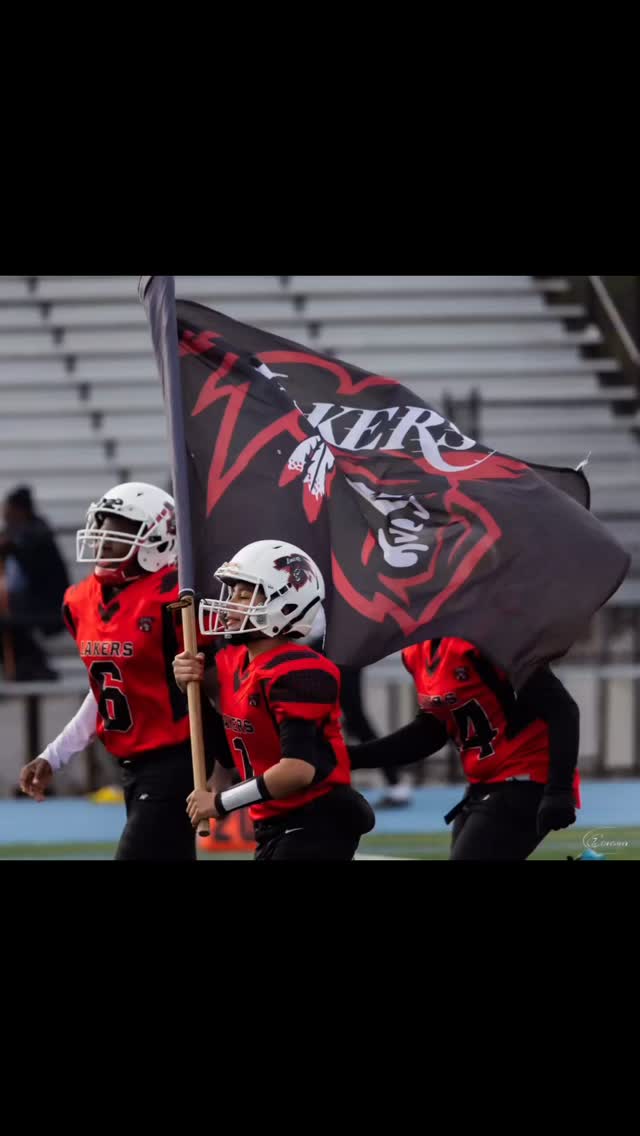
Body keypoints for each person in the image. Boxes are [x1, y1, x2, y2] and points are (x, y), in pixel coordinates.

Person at [19, 482, 219, 862]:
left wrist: (229, 765)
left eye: (121, 527)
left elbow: (222, 677)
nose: (104, 536)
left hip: (177, 756)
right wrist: (54, 755)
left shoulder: (175, 598)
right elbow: (107, 689)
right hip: (131, 761)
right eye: (102, 522)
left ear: (159, 539)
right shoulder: (80, 601)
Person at [173, 539, 375, 861]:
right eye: (232, 594)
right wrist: (192, 692)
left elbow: (296, 771)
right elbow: (230, 750)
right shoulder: (235, 662)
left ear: (287, 605)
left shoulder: (299, 670)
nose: (230, 604)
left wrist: (222, 802)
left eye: (244, 594)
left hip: (318, 819)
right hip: (275, 823)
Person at [348, 637, 580, 861]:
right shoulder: (418, 651)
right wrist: (353, 757)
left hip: (525, 777)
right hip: (484, 783)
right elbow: (432, 730)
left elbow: (562, 709)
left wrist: (559, 789)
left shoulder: (489, 640)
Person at [0, 486, 69, 680]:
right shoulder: (16, 531)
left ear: (20, 510)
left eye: (8, 509)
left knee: (8, 615)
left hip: (48, 604)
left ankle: (35, 664)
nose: (4, 514)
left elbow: (20, 546)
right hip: (28, 602)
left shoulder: (37, 531)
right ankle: (25, 665)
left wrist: (9, 546)